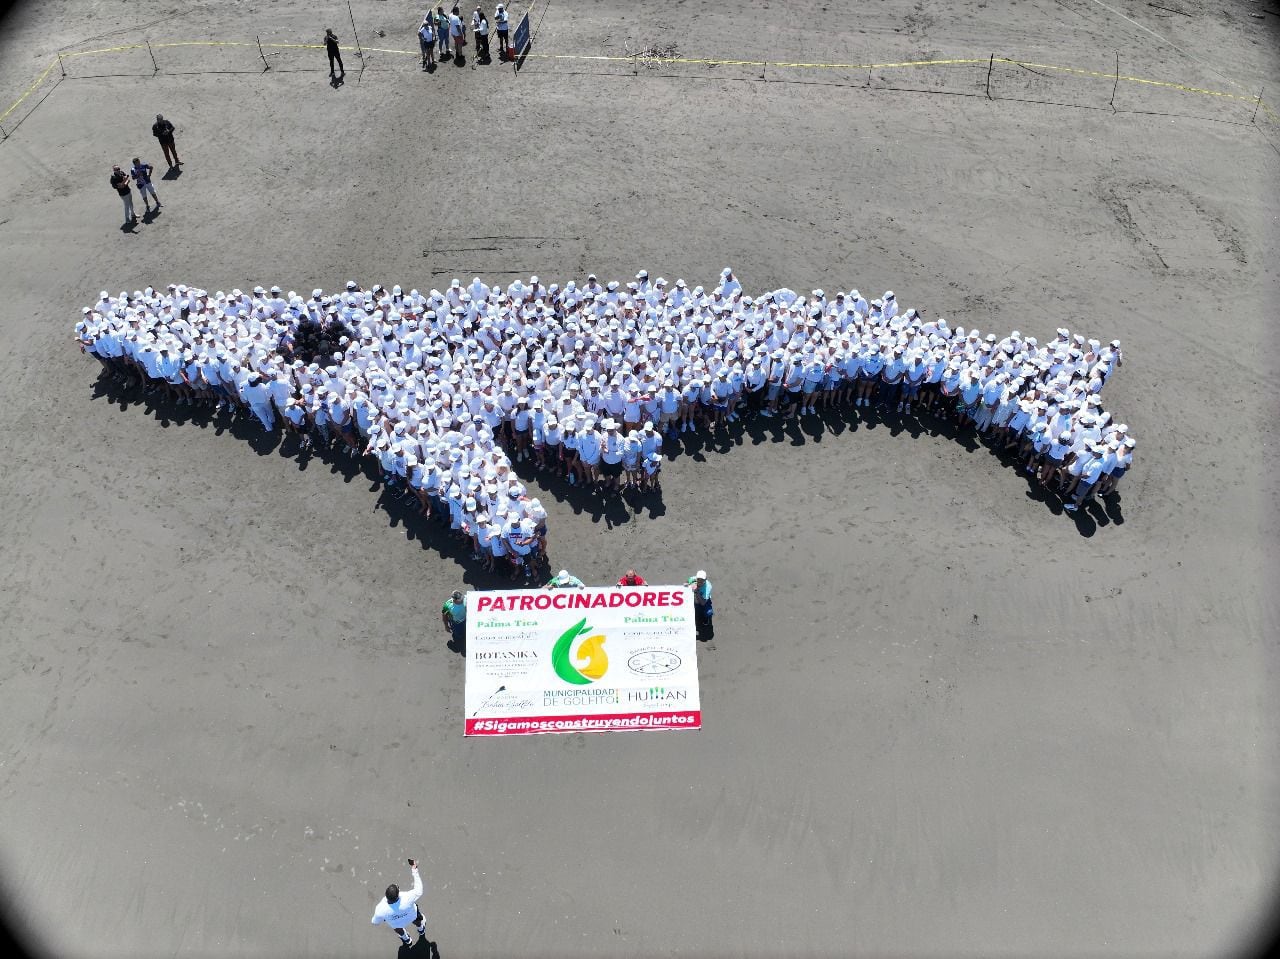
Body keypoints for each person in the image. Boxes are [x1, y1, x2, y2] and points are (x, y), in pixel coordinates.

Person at [371, 858, 427, 947]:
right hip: (412, 916)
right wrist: (414, 869)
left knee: (399, 930)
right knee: (418, 921)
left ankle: (407, 939)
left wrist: (384, 917)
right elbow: (419, 890)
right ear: (397, 896)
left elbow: (375, 922)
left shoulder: (380, 909)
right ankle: (421, 930)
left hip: (397, 924)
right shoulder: (407, 897)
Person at [688, 570, 713, 642]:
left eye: (702, 580)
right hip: (693, 600)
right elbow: (685, 583)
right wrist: (689, 585)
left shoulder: (708, 587)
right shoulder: (693, 579)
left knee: (708, 612)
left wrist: (697, 592)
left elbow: (703, 603)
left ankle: (705, 619)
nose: (700, 582)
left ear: (705, 580)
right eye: (698, 580)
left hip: (703, 602)